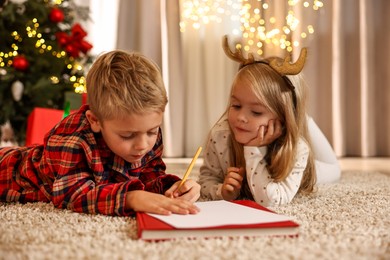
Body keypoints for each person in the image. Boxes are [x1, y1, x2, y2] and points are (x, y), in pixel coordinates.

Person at [0, 50, 200, 216]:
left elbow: (150, 175)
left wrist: (174, 187)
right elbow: (72, 195)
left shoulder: (145, 130)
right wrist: (131, 198)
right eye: (127, 136)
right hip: (8, 172)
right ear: (95, 120)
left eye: (152, 131)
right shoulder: (72, 139)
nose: (142, 145)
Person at [198, 36, 340, 207]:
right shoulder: (221, 135)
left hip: (310, 167)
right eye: (236, 105)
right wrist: (222, 191)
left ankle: (303, 119)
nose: (241, 117)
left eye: (256, 112)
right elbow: (206, 180)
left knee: (334, 169)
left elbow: (272, 200)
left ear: (281, 119)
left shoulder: (298, 149)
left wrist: (253, 150)